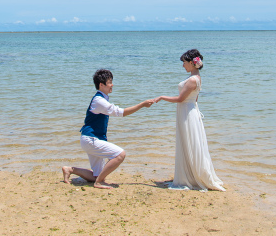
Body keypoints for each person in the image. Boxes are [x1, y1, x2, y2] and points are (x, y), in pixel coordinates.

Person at [62, 69, 155, 189]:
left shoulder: (101, 99)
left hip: (90, 139)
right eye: (110, 82)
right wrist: (142, 104)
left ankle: (70, 170)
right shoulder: (99, 100)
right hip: (91, 139)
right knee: (120, 155)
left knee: (97, 175)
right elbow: (121, 113)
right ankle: (98, 183)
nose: (112, 85)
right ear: (101, 85)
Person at [155, 49, 225, 191]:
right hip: (190, 110)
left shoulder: (193, 80)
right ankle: (191, 174)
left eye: (185, 63)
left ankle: (191, 176)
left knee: (189, 142)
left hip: (187, 112)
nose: (183, 66)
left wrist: (162, 97)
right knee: (190, 142)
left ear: (192, 64)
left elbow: (180, 99)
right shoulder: (197, 78)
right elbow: (194, 98)